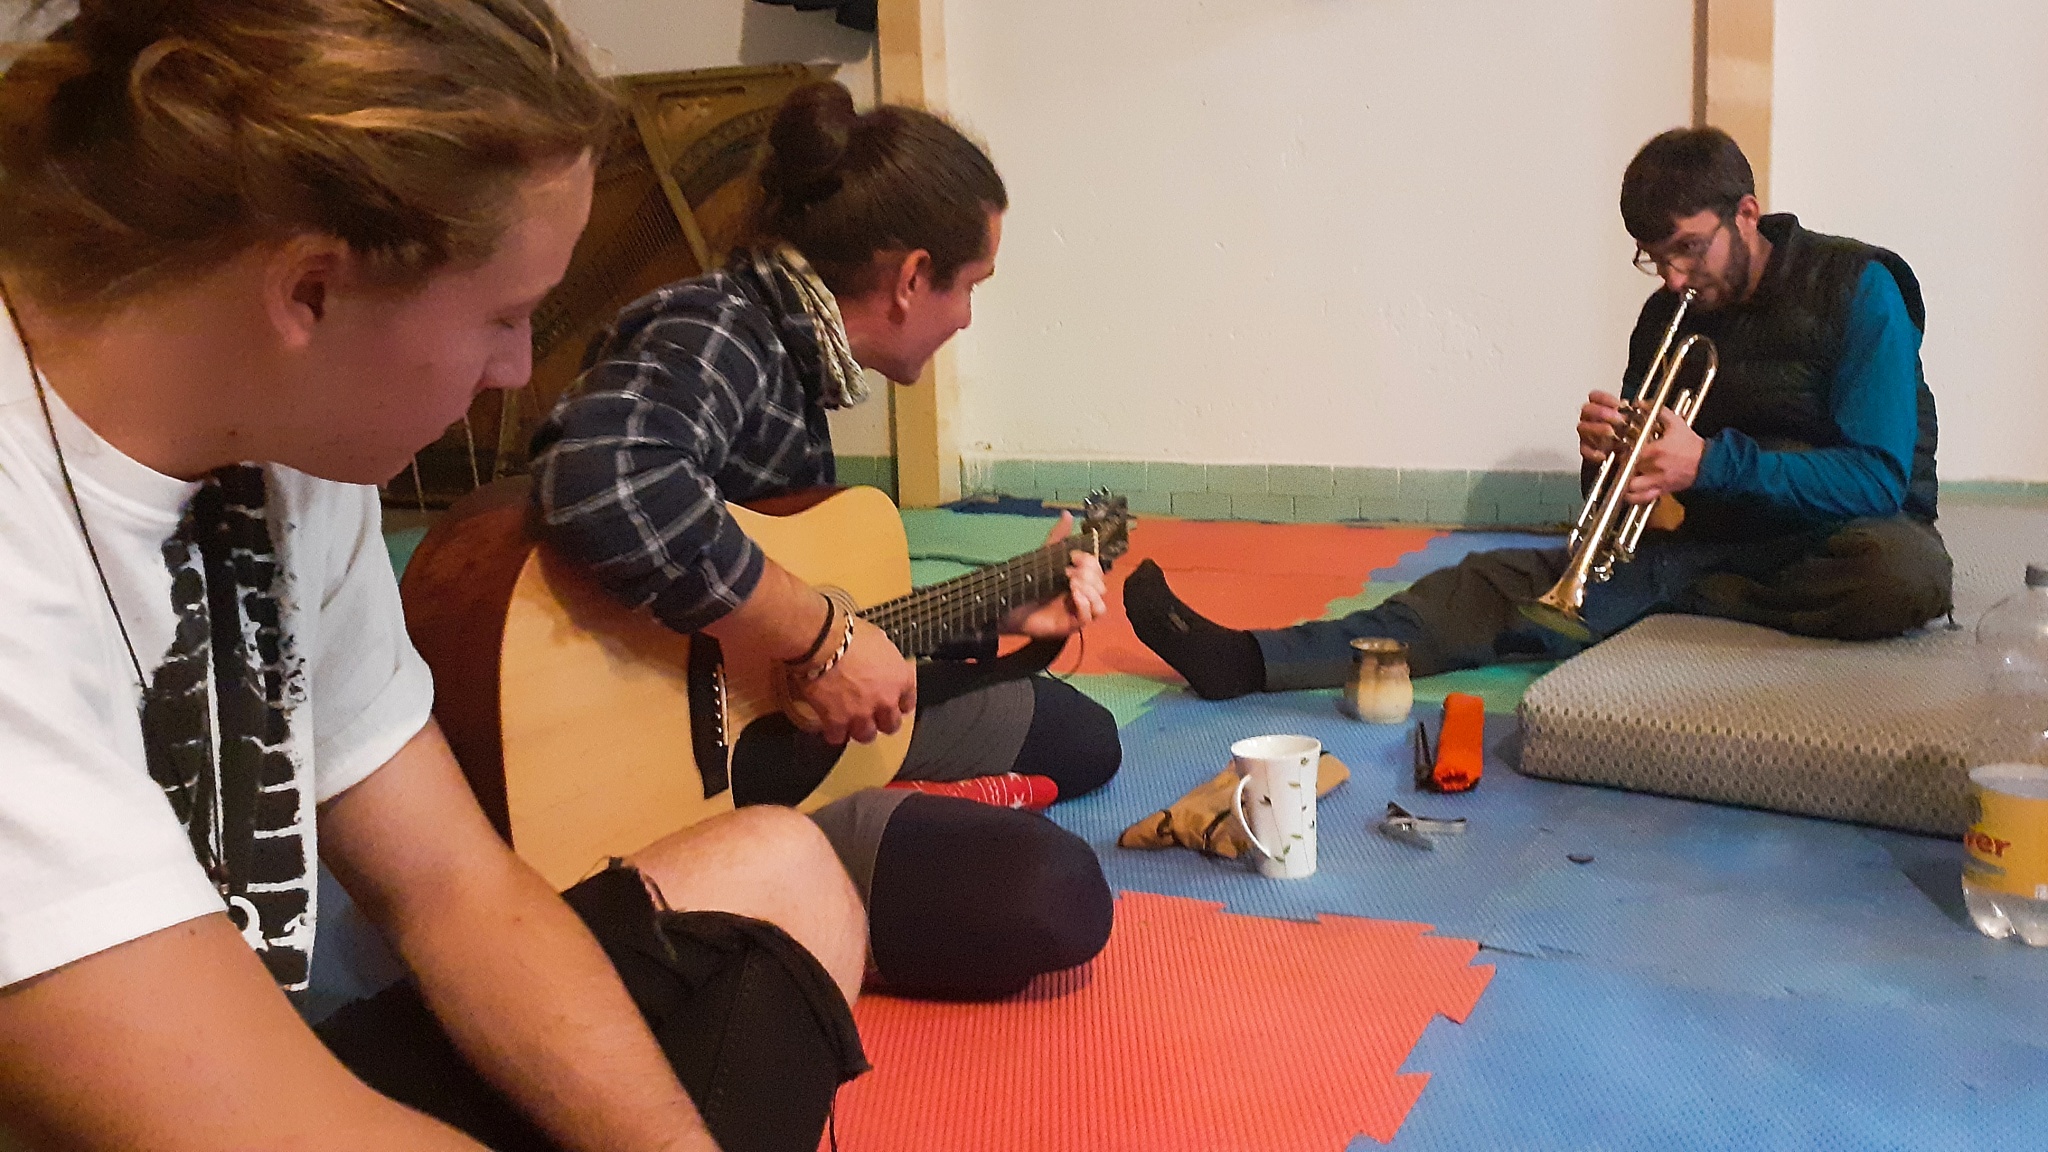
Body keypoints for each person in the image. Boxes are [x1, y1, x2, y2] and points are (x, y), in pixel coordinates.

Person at [0, 5, 870, 1151]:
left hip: (242, 1059)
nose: (521, 369)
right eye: (505, 317)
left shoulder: (285, 446)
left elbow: (453, 890)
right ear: (310, 291)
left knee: (783, 874)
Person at [530, 81, 1119, 1002]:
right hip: (678, 781)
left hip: (764, 717)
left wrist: (1006, 614)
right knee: (1052, 892)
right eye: (970, 287)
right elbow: (606, 478)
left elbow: (802, 594)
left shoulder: (790, 358)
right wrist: (820, 639)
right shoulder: (719, 328)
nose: (968, 316)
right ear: (913, 277)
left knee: (1083, 737)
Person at [1125, 127, 1953, 697]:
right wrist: (1610, 461)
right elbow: (1628, 512)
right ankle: (1251, 660)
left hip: (1833, 546)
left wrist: (1708, 462)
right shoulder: (1666, 318)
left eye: (1687, 248)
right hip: (1709, 553)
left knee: (1904, 574)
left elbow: (1878, 479)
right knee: (1488, 583)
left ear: (1746, 213)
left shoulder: (1857, 288)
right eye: (1654, 258)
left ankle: (1665, 608)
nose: (1672, 277)